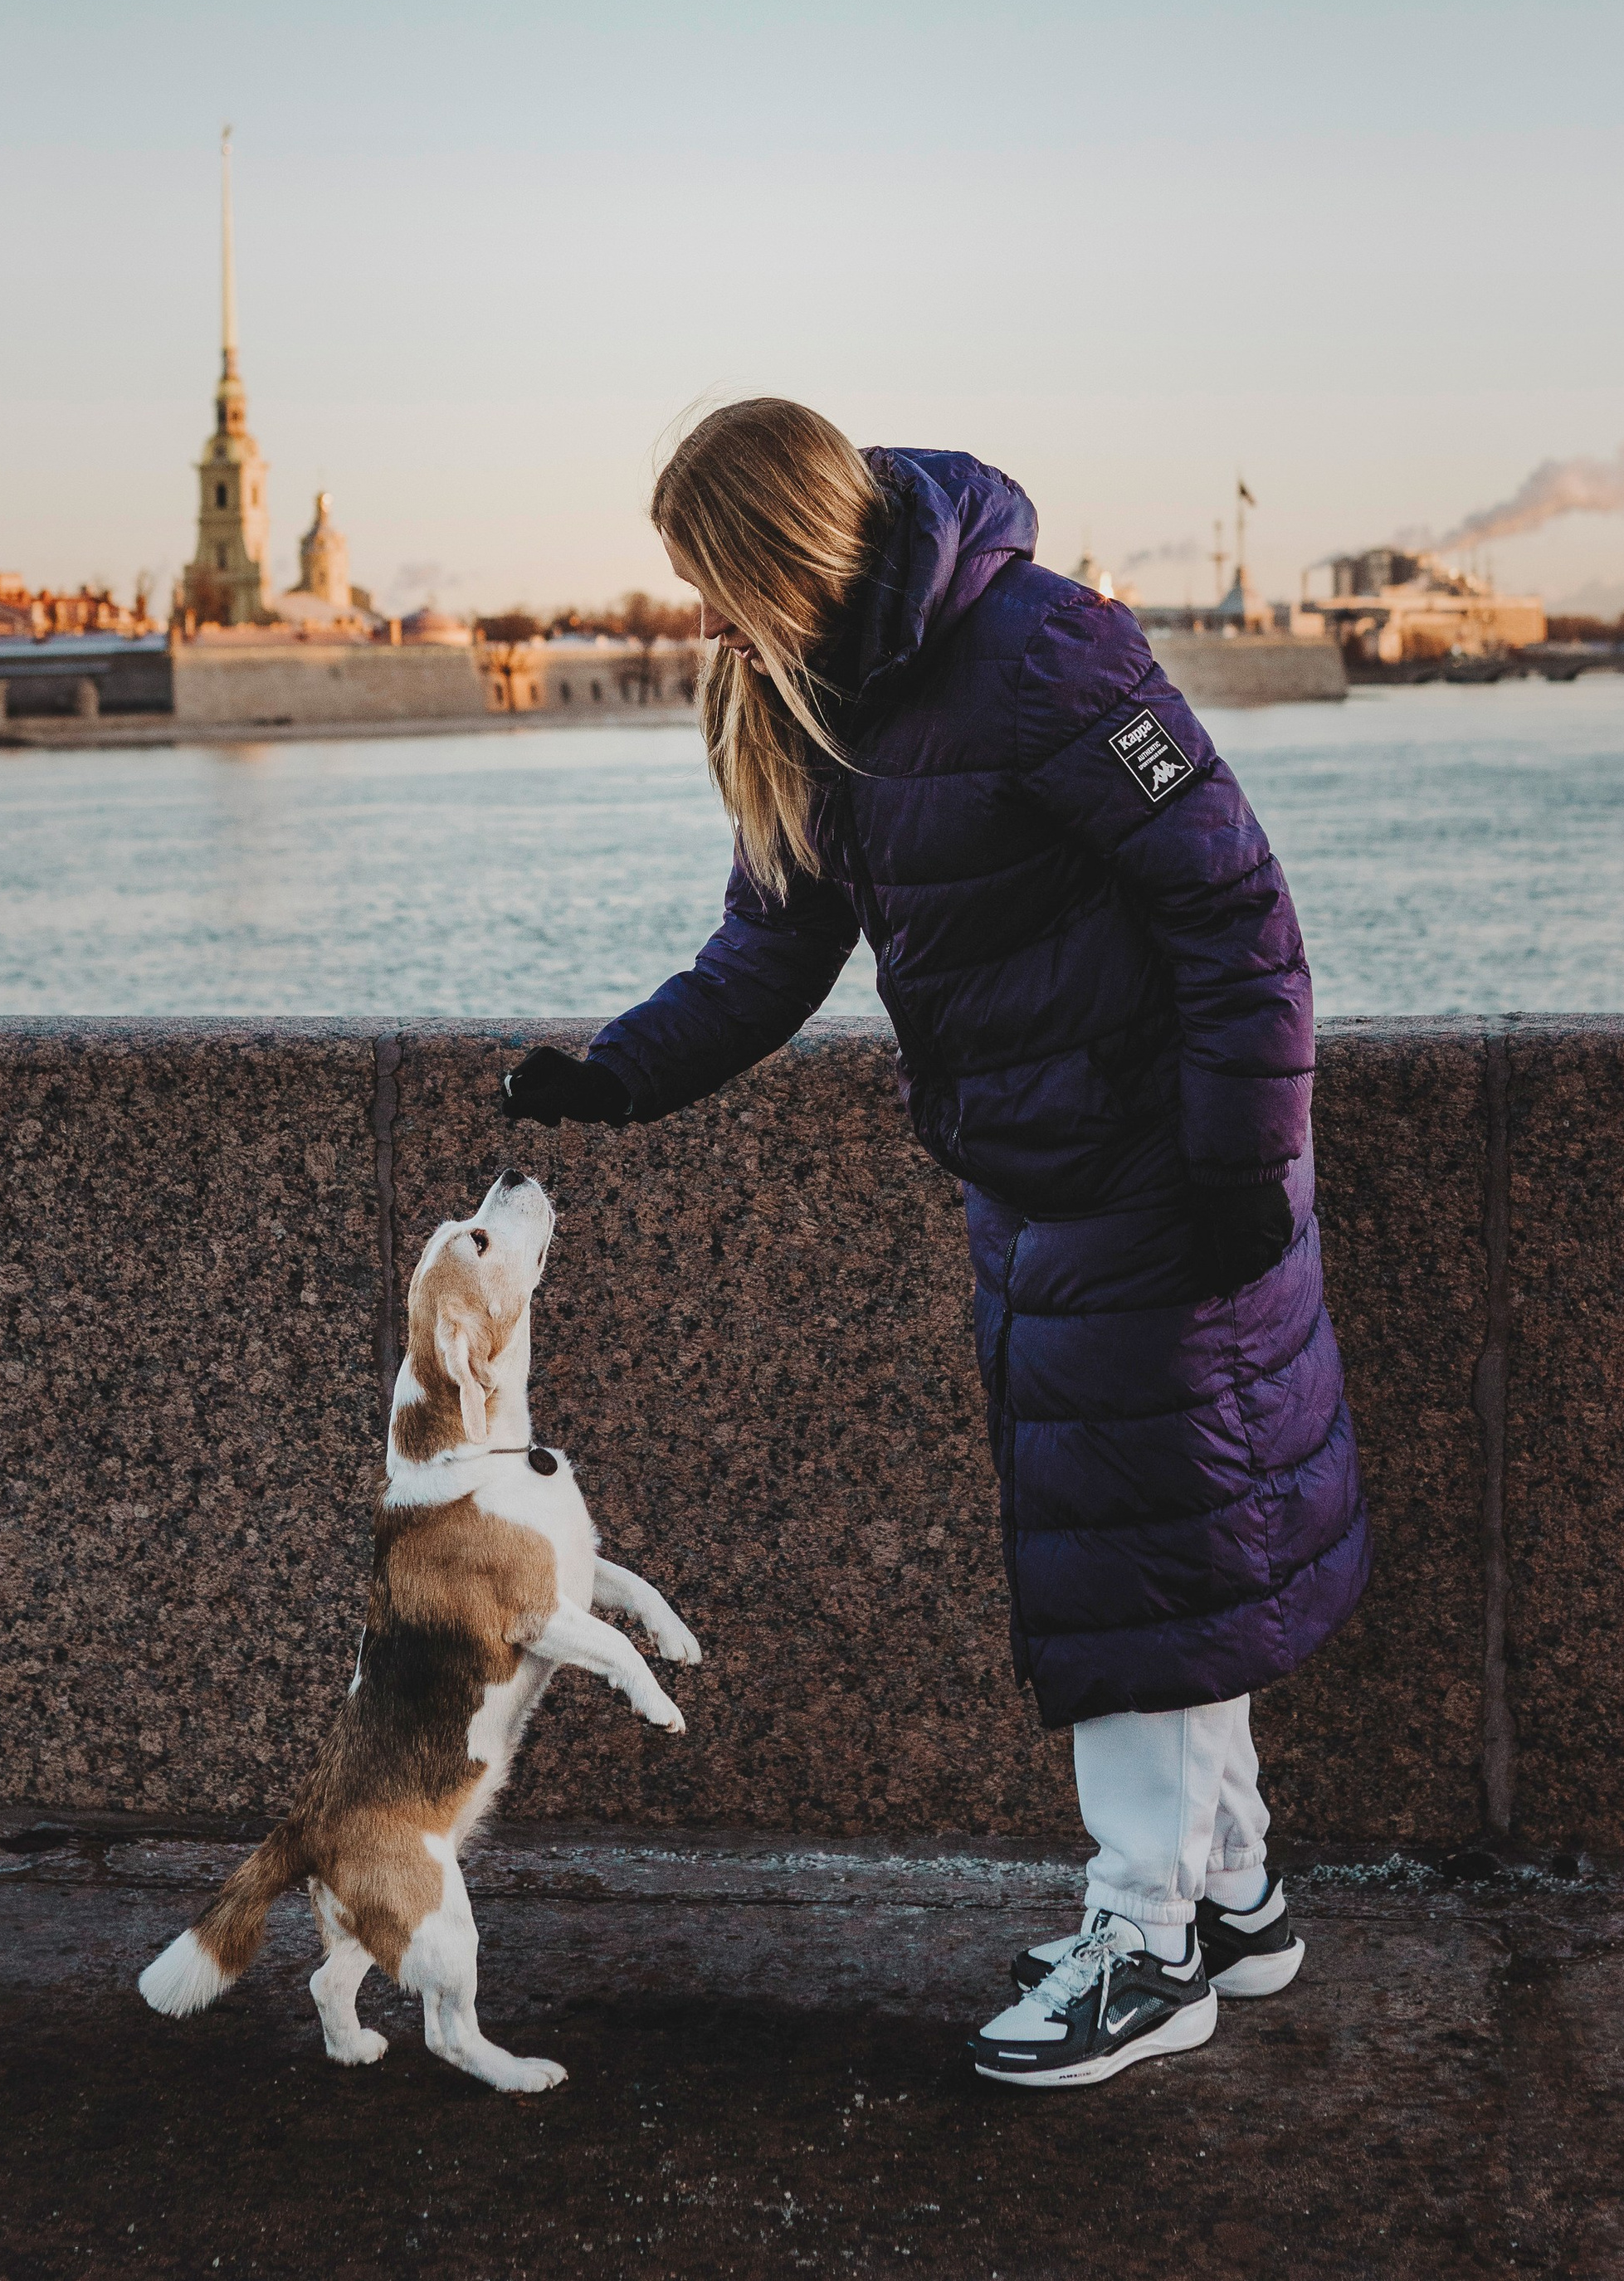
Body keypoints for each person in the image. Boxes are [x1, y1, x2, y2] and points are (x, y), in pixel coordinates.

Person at [503, 401, 1368, 2092]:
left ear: (781, 550)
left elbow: (1238, 906)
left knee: (1135, 1569)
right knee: (1160, 1545)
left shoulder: (1050, 651)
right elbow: (769, 945)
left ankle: (1149, 1940)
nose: (702, 618)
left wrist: (1241, 1163)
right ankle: (1231, 1893)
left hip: (1160, 1178)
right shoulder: (813, 693)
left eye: (711, 578)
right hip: (1038, 1184)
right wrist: (619, 1070)